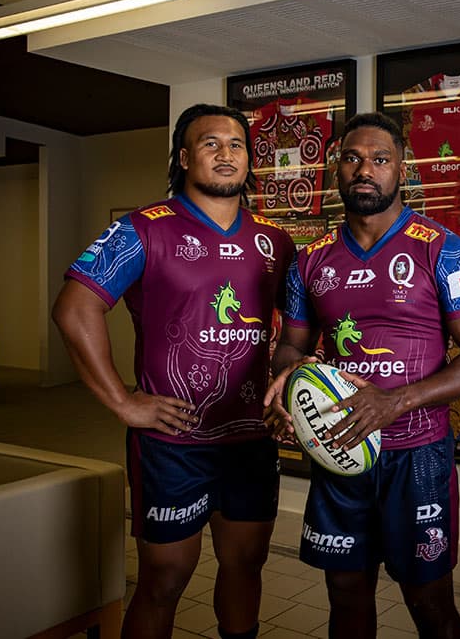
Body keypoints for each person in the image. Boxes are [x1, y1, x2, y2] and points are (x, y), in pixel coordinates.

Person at [52, 103, 295, 639]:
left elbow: (294, 336)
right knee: (165, 575)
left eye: (236, 145)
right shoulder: (142, 228)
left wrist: (292, 394)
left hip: (250, 437)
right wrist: (122, 400)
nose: (225, 154)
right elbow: (74, 308)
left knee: (245, 563)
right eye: (210, 144)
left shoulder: (276, 242)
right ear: (185, 158)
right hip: (173, 440)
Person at [264, 111, 460, 639]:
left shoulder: (444, 249)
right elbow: (290, 346)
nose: (364, 170)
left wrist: (394, 403)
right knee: (345, 593)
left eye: (379, 159)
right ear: (335, 170)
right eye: (351, 158)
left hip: (416, 456)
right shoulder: (310, 261)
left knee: (429, 600)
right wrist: (289, 378)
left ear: (402, 169)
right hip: (339, 449)